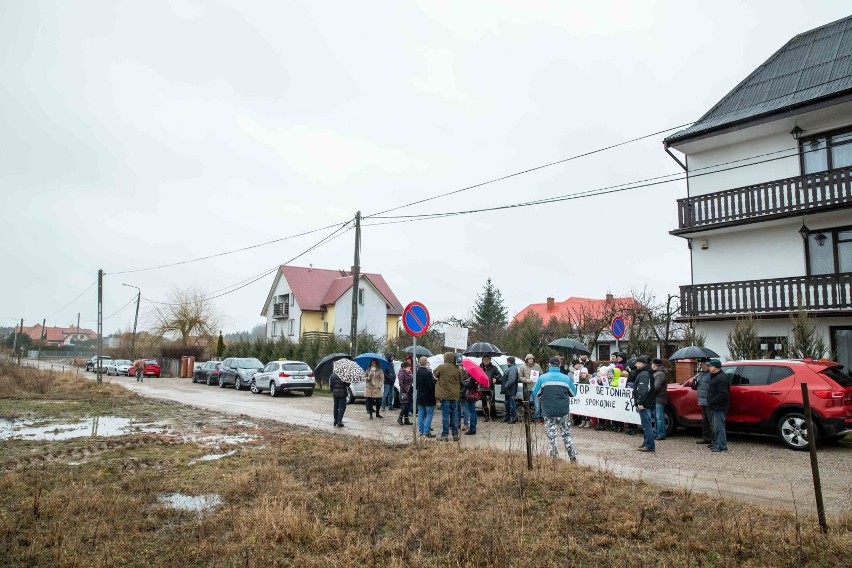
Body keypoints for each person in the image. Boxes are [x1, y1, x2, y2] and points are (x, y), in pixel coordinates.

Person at [532, 357, 578, 462]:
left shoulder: (542, 378)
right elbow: (574, 393)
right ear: (559, 365)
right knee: (566, 434)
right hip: (563, 411)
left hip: (548, 411)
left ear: (549, 364)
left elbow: (535, 393)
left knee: (551, 436)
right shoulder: (566, 378)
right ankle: (572, 457)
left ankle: (554, 459)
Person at [433, 352, 463, 441]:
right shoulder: (458, 369)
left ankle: (445, 435)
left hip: (445, 396)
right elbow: (461, 379)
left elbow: (434, 374)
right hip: (455, 396)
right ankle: (455, 434)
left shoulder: (441, 367)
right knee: (454, 415)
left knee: (445, 416)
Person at [633, 356, 656, 453]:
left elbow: (643, 390)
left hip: (645, 403)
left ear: (641, 363)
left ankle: (650, 445)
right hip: (647, 402)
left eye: (637, 363)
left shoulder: (643, 375)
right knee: (645, 424)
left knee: (646, 425)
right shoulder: (646, 373)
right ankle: (646, 442)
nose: (635, 365)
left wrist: (640, 402)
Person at [706, 359, 730, 452]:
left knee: (719, 427)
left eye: (710, 366)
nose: (709, 368)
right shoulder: (714, 376)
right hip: (714, 406)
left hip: (719, 406)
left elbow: (722, 394)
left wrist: (712, 401)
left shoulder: (722, 378)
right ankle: (716, 443)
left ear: (715, 367)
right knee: (715, 426)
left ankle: (722, 446)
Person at [690, 361, 714, 444]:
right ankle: (706, 438)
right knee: (705, 421)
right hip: (702, 401)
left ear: (708, 365)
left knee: (711, 421)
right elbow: (697, 386)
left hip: (709, 401)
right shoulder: (700, 374)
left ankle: (713, 439)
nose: (701, 366)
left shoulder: (711, 374)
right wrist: (693, 384)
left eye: (703, 365)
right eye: (701, 365)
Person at [415, 356, 436, 438]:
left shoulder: (417, 372)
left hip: (420, 395)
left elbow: (415, 384)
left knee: (420, 414)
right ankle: (426, 432)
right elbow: (431, 386)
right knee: (429, 414)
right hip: (428, 396)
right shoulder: (428, 373)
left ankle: (421, 431)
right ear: (426, 362)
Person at [518, 354, 543, 423]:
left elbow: (541, 374)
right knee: (526, 404)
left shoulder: (537, 366)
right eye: (529, 359)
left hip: (536, 388)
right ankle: (527, 418)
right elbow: (520, 377)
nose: (531, 360)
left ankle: (537, 418)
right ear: (526, 359)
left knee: (537, 405)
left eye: (532, 358)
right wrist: (526, 380)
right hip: (527, 389)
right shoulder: (523, 367)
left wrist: (539, 379)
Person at [651, 359, 669, 440]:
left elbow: (656, 387)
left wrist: (649, 392)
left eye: (652, 364)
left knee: (659, 417)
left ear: (654, 365)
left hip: (659, 399)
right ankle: (656, 433)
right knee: (656, 417)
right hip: (656, 398)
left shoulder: (660, 374)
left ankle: (661, 434)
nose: (651, 365)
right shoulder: (657, 373)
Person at [479, 356, 501, 421]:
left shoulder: (493, 368)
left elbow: (499, 375)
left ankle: (493, 416)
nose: (486, 361)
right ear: (482, 360)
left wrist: (495, 378)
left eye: (487, 359)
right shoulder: (480, 367)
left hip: (490, 388)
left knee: (492, 403)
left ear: (490, 360)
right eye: (484, 359)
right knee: (484, 403)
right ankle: (486, 417)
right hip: (482, 388)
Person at [501, 356, 519, 423]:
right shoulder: (511, 368)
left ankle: (513, 418)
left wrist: (505, 386)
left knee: (511, 405)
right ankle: (507, 417)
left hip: (511, 390)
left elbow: (511, 380)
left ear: (509, 361)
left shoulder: (513, 369)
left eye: (507, 361)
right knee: (507, 404)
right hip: (508, 390)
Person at [397, 360, 413, 426]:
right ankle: (399, 418)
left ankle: (406, 420)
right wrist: (406, 389)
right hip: (404, 392)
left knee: (408, 405)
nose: (409, 368)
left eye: (410, 367)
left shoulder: (408, 372)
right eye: (408, 367)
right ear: (404, 367)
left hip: (409, 391)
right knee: (405, 406)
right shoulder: (401, 373)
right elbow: (401, 384)